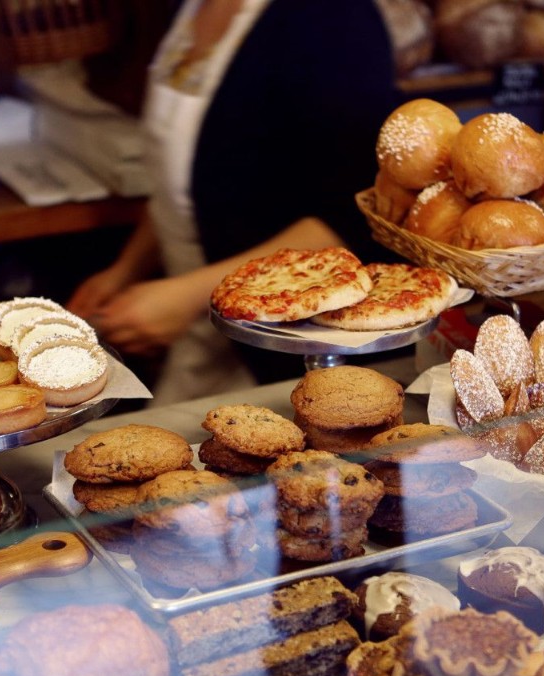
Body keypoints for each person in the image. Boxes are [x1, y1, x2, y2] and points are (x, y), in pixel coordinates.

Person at [67, 0, 402, 405]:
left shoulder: (334, 19)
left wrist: (189, 296)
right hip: (197, 323)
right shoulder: (190, 8)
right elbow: (186, 175)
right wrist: (127, 268)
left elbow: (351, 210)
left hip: (277, 342)